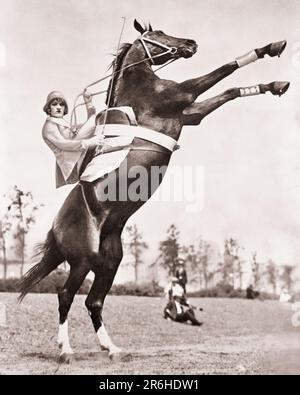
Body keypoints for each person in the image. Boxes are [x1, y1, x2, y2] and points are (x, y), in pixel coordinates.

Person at [42, 90, 105, 188]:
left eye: (61, 105)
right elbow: (64, 144)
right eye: (54, 104)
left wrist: (88, 104)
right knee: (94, 121)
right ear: (49, 109)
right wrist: (89, 142)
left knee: (94, 120)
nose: (58, 107)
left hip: (76, 157)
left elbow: (88, 123)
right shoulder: (49, 126)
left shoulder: (63, 124)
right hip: (72, 166)